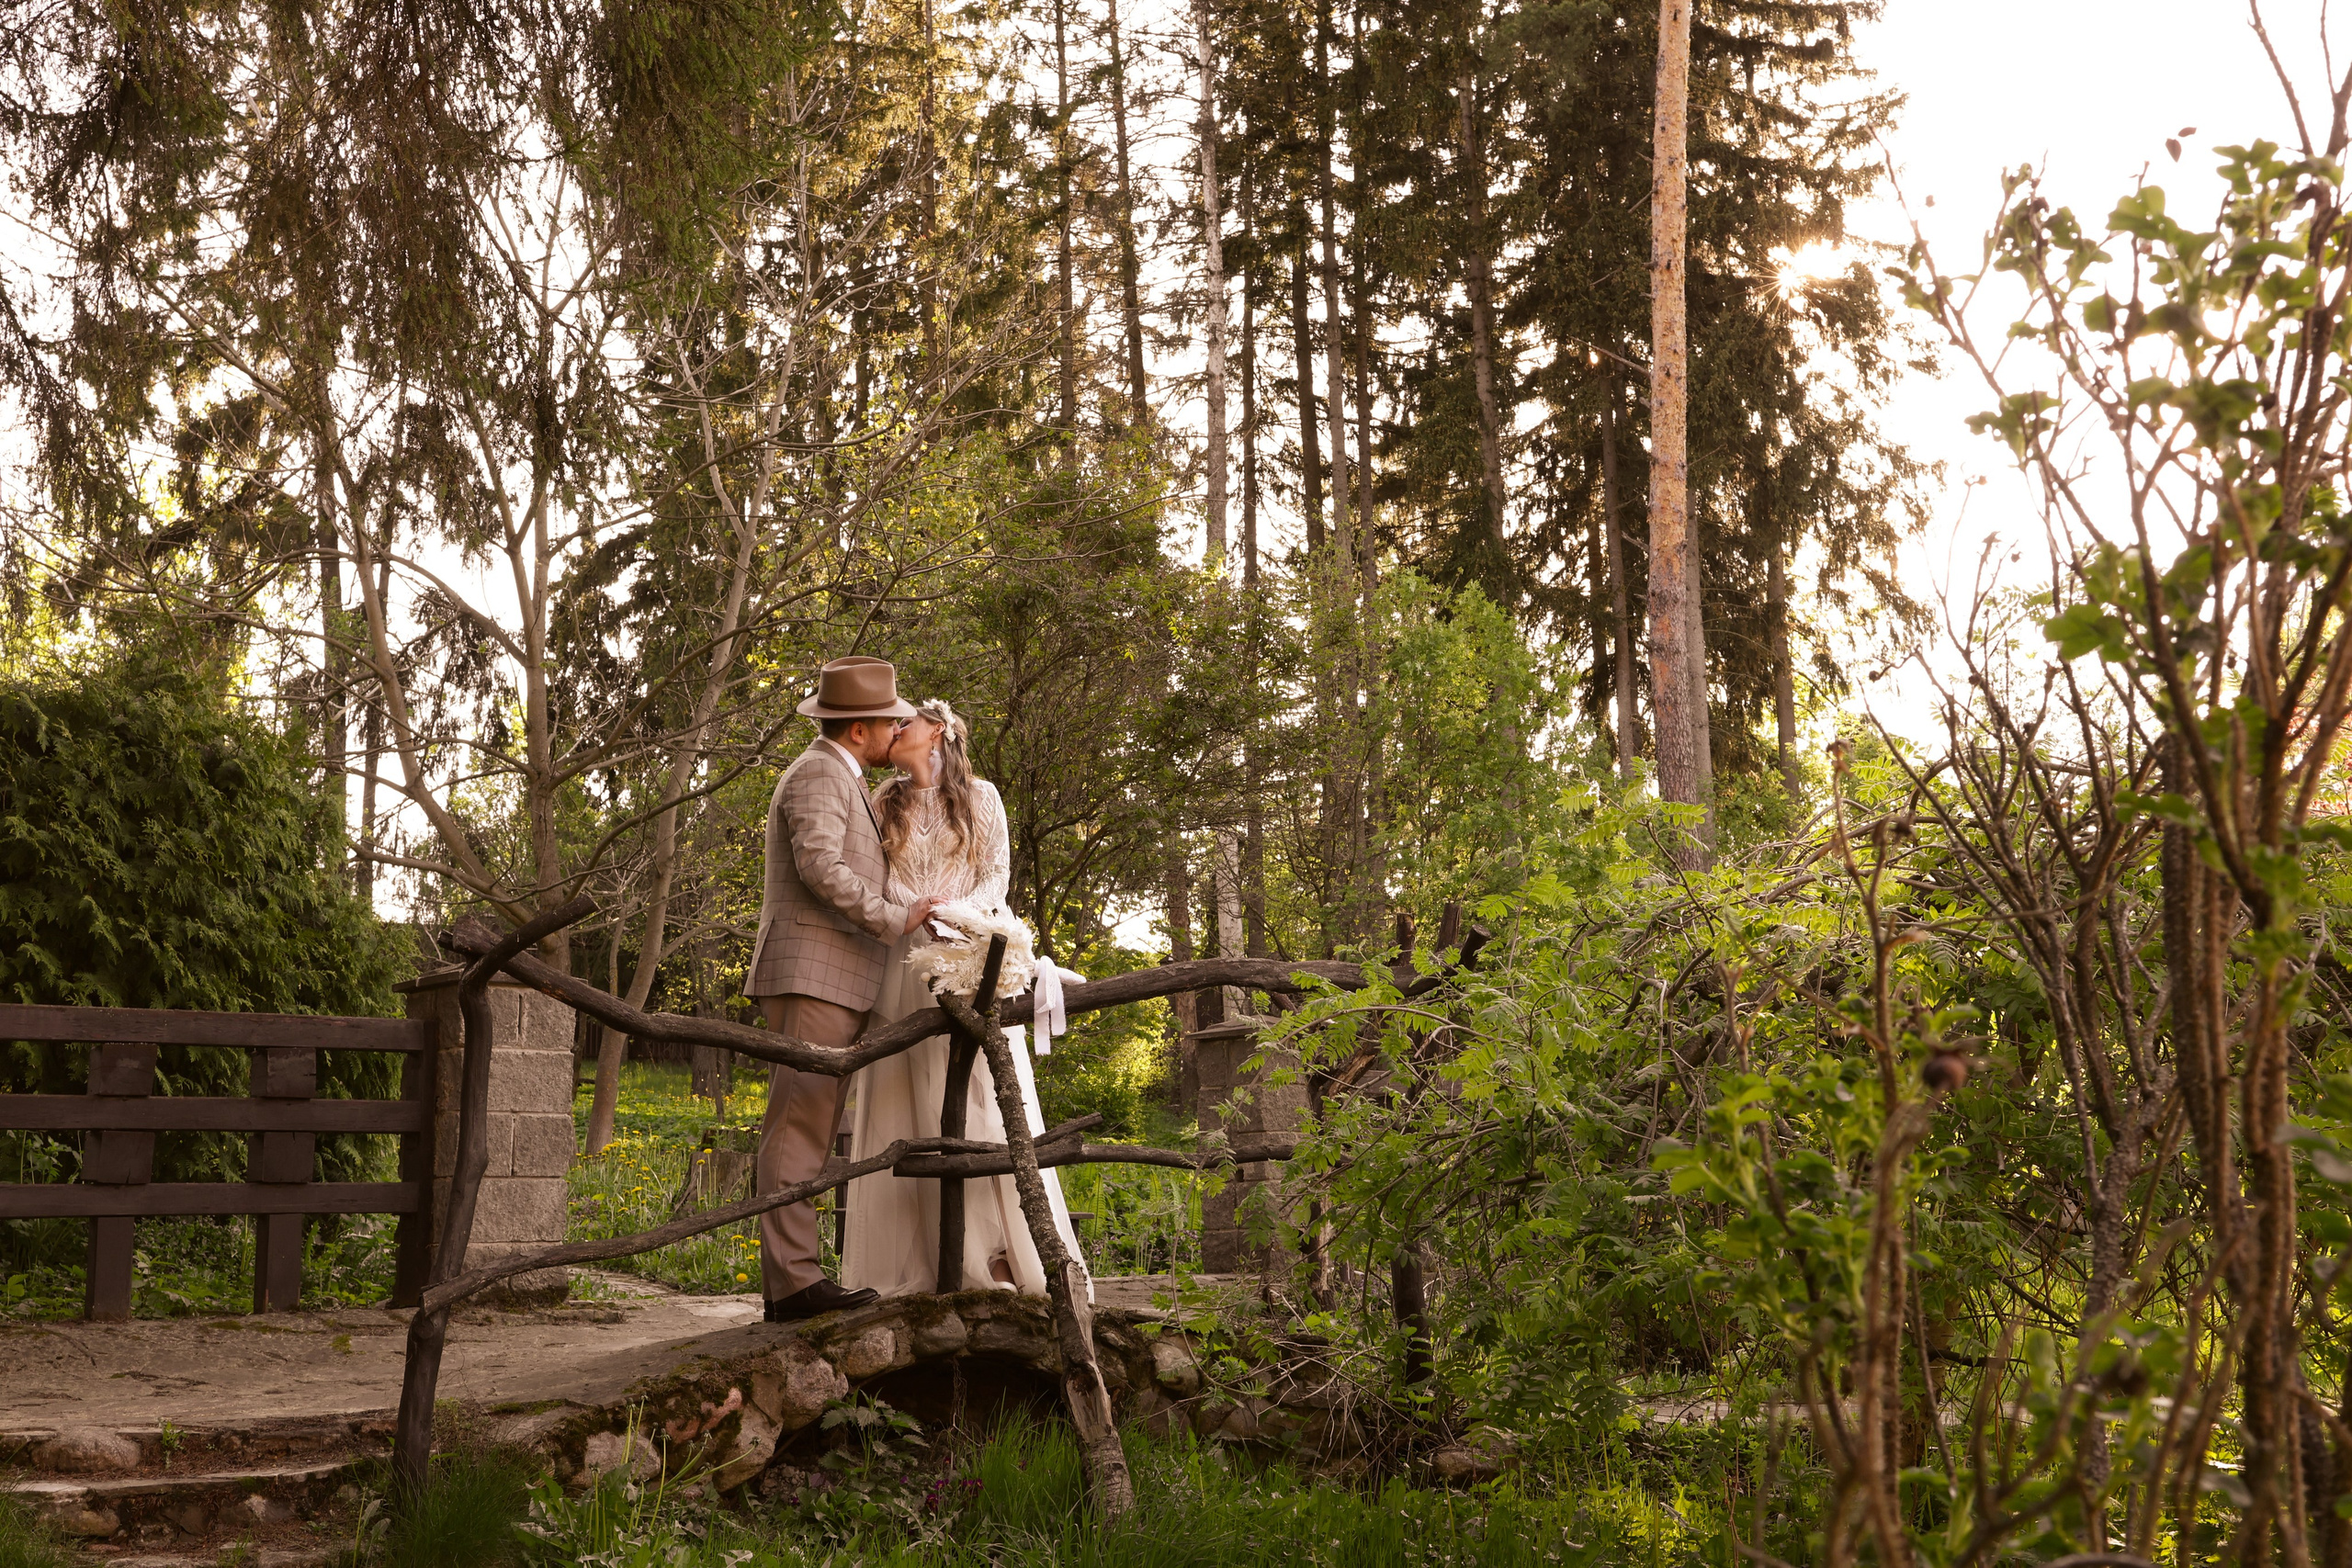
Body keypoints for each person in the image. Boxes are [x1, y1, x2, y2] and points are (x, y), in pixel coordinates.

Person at [841, 698, 1091, 1299]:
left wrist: (953, 918)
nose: (895, 728)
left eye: (907, 721)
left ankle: (998, 1258)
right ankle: (923, 1265)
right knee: (908, 1103)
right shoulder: (882, 800)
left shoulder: (982, 798)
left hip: (970, 955)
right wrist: (911, 914)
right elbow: (871, 878)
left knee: (985, 1102)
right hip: (902, 963)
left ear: (938, 732)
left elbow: (995, 876)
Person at [745, 657, 944, 1323]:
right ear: (860, 729)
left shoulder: (842, 774)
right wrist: (894, 917)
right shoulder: (819, 774)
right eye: (891, 722)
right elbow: (820, 866)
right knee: (798, 1127)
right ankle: (792, 1285)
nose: (898, 731)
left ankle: (794, 1279)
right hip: (812, 975)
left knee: (811, 1125)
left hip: (829, 978)